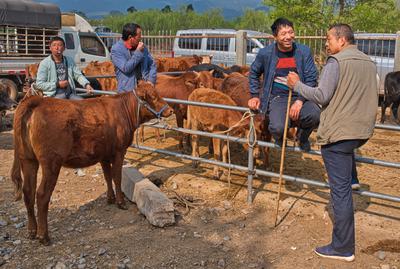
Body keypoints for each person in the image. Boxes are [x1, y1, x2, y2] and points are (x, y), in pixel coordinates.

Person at [287, 23, 378, 261]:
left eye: (328, 39)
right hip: (360, 131)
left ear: (342, 40)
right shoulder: (369, 62)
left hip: (339, 133)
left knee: (340, 192)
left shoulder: (335, 62)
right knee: (344, 181)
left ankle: (342, 247)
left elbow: (321, 95)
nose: (326, 44)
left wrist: (296, 85)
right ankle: (353, 178)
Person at [248, 18, 320, 151]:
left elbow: (311, 78)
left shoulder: (304, 52)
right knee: (276, 128)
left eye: (291, 32)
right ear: (275, 37)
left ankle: (302, 137)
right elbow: (253, 73)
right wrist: (254, 95)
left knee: (315, 114)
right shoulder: (265, 53)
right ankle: (280, 136)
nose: (288, 37)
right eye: (283, 34)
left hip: (300, 95)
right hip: (277, 98)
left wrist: (299, 101)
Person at [111, 23, 156, 93]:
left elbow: (152, 63)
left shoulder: (143, 47)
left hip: (144, 90)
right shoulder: (116, 49)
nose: (140, 38)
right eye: (139, 36)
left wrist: (151, 80)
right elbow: (126, 68)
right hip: (127, 92)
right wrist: (138, 52)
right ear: (130, 38)